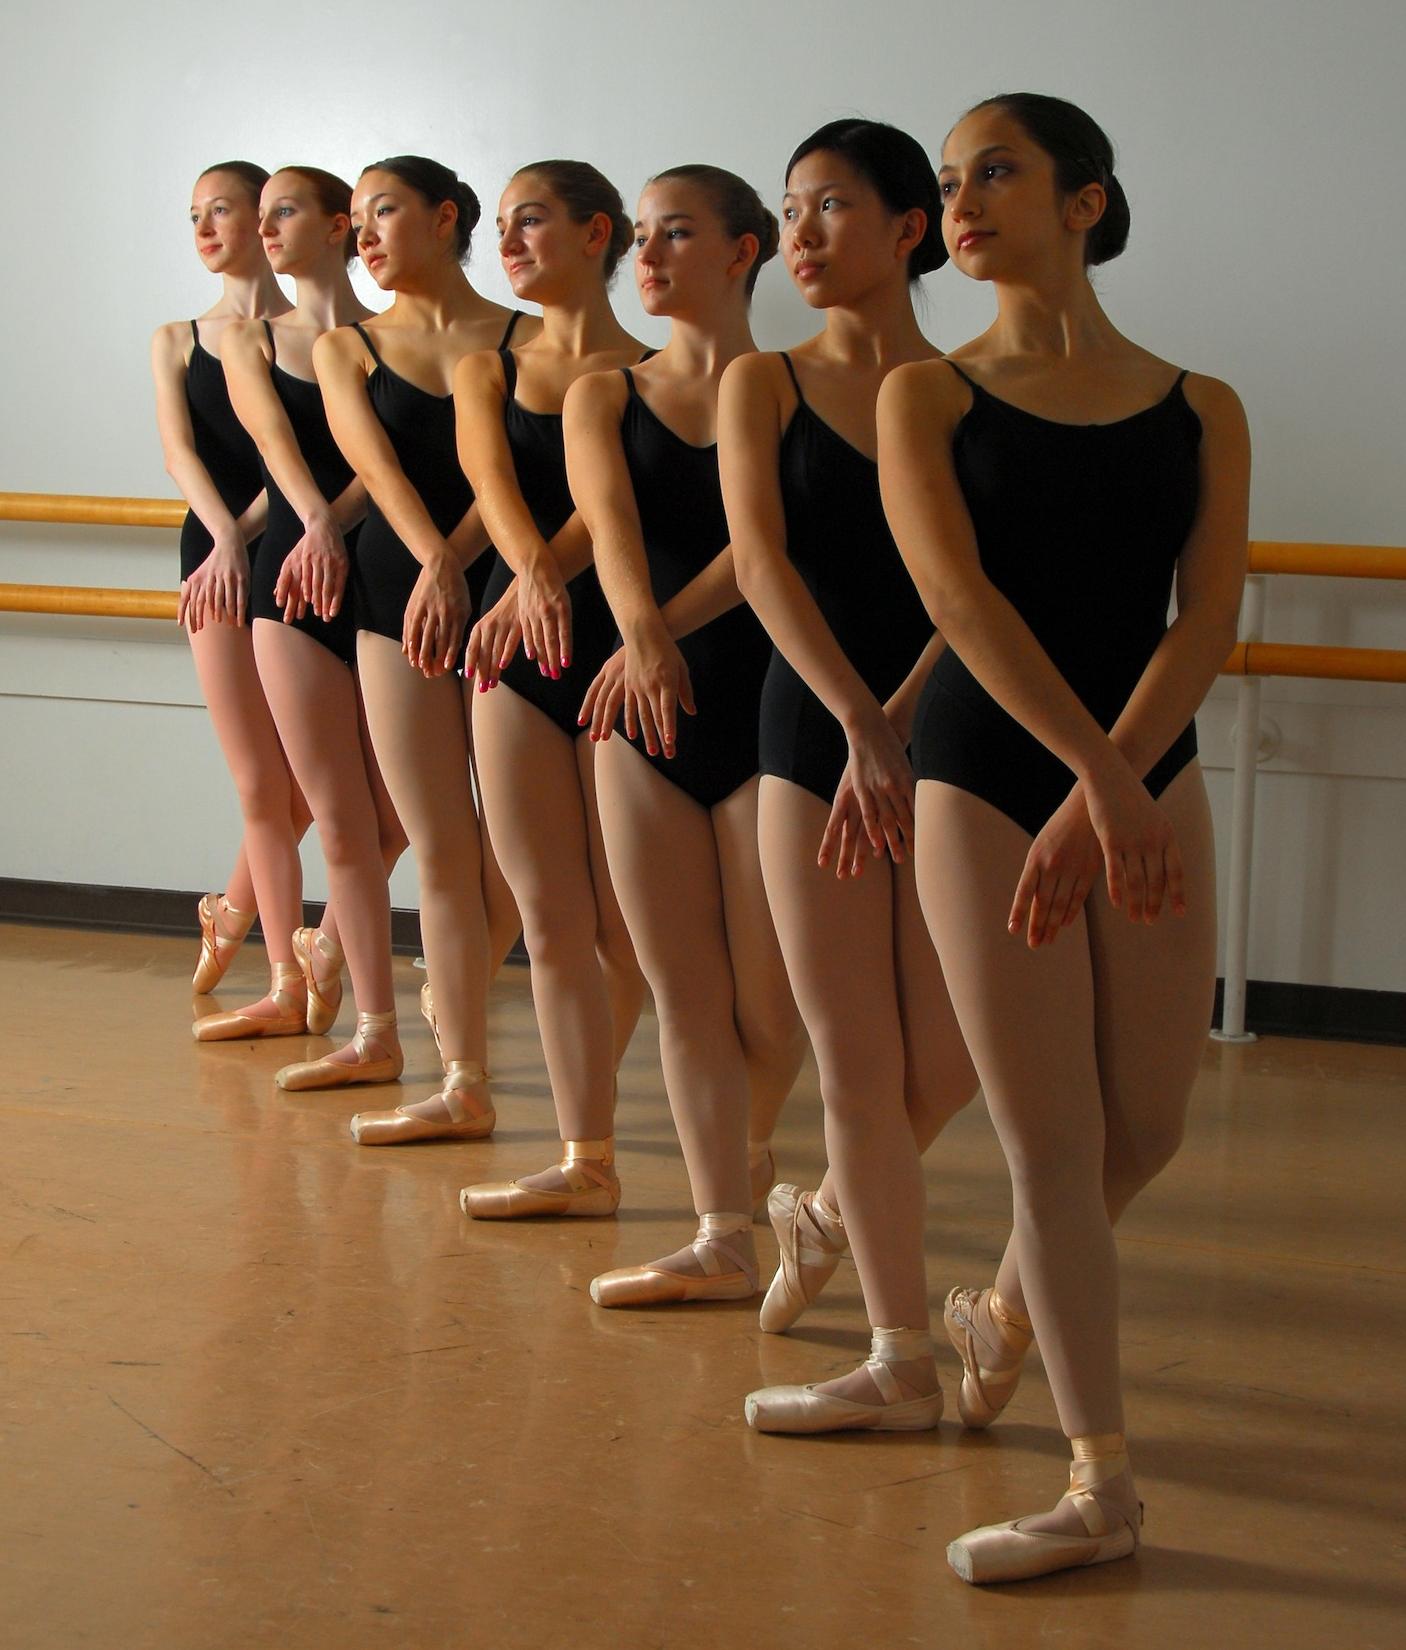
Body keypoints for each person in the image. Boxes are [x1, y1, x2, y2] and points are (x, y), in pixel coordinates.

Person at [880, 93, 1249, 1582]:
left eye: (995, 174)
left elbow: (1203, 616)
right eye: (951, 180)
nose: (958, 202)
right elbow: (959, 607)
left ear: (1084, 202)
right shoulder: (928, 395)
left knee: (1144, 1123)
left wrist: (1118, 781)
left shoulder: (1198, 403)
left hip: (1144, 767)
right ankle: (1100, 1485)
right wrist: (1090, 776)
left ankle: (1009, 1311)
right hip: (988, 774)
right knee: (1049, 1146)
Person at [718, 122, 976, 1425]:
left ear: (905, 230)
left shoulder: (970, 386)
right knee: (853, 1058)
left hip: (952, 730)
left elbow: (975, 587)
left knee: (955, 1049)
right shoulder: (762, 382)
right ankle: (897, 1356)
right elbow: (760, 566)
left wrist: (907, 711)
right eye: (788, 211)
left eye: (829, 209)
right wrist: (854, 721)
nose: (802, 237)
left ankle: (820, 1211)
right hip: (809, 730)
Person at [563, 165, 806, 1305]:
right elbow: (609, 530)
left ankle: (746, 1159)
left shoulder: (790, 389)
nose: (647, 259)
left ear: (744, 250)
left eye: (677, 236)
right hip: (637, 702)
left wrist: (663, 628)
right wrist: (639, 634)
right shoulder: (604, 393)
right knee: (679, 987)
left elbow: (770, 550)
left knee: (771, 1001)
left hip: (770, 702)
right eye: (641, 241)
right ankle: (718, 1230)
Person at [314, 155, 536, 1143]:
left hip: (514, 588)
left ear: (446, 218)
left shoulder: (526, 338)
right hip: (392, 594)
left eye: (384, 212)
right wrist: (430, 567)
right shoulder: (346, 347)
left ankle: (483, 1017)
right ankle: (463, 1081)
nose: (362, 234)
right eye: (355, 218)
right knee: (442, 845)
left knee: (530, 848)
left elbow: (518, 477)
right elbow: (374, 464)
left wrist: (461, 565)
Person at [453, 160, 650, 1221]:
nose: (510, 241)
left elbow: (610, 502)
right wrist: (525, 579)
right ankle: (584, 1156)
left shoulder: (653, 369)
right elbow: (488, 479)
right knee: (546, 912)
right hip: (512, 641)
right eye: (500, 226)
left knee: (625, 922)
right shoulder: (490, 361)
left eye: (531, 221)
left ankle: (607, 1124)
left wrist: (547, 576)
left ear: (595, 234)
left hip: (612, 639)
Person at [223, 165, 408, 1091]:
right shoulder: (251, 339)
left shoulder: (388, 337)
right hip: (291, 582)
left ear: (340, 225)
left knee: (399, 813)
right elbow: (272, 443)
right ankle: (376, 1031)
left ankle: (333, 948)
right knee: (337, 815)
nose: (266, 229)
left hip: (381, 577)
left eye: (285, 211)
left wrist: (344, 522)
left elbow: (396, 457)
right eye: (259, 216)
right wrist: (318, 523)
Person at [152, 161, 336, 1038]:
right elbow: (180, 453)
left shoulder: (309, 334)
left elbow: (307, 460)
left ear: (262, 216)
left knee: (316, 781)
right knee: (263, 780)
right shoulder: (178, 336)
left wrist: (254, 529)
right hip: (216, 558)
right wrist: (224, 536)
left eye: (221, 208)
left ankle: (228, 909)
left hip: (308, 546)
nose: (205, 225)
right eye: (194, 214)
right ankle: (283, 980)